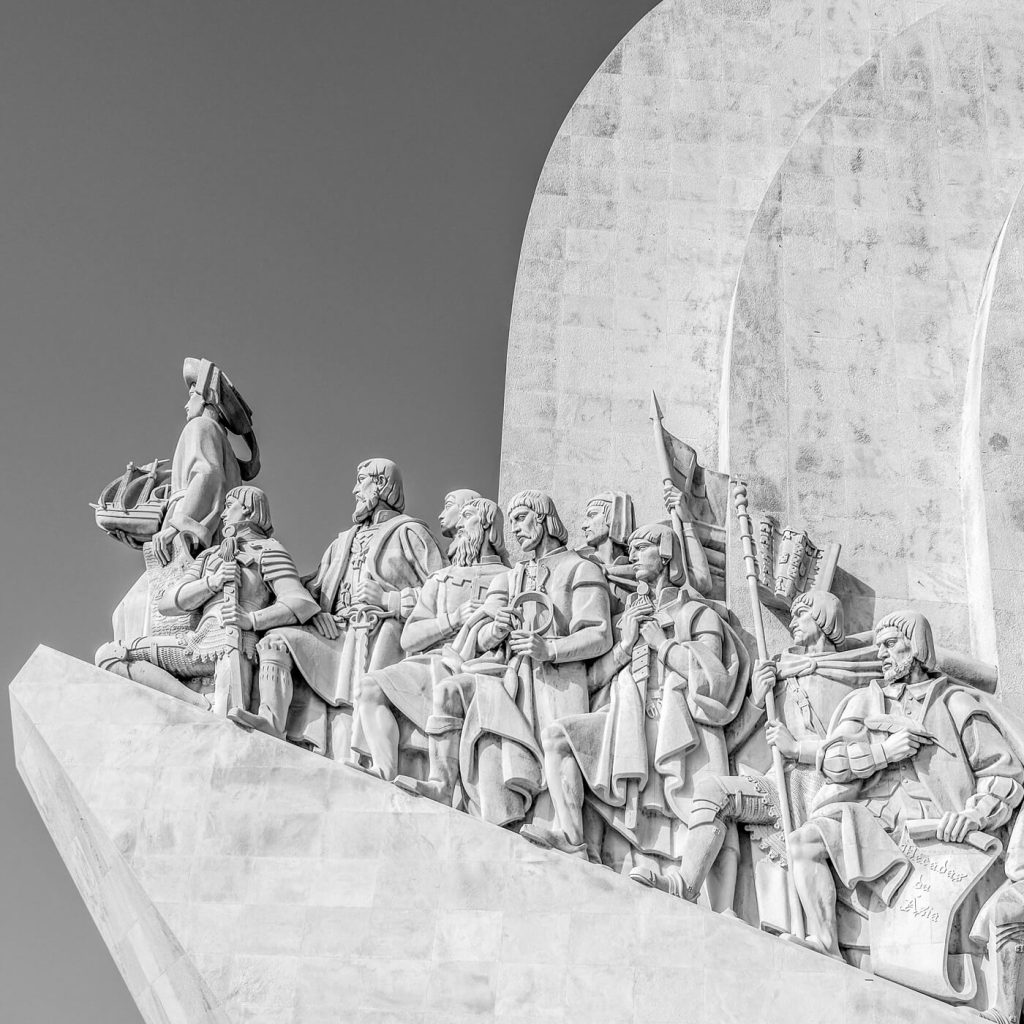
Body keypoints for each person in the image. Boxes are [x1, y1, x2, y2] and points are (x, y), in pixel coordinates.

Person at [523, 521, 749, 898]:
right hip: (626, 721)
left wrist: (663, 645)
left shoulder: (698, 615)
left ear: (665, 555)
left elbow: (714, 681)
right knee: (558, 738)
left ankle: (719, 903)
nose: (632, 556)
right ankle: (572, 838)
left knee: (707, 808)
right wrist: (625, 644)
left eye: (642, 547)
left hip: (683, 725)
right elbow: (593, 680)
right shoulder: (629, 615)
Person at [787, 610, 1024, 960]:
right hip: (873, 822)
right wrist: (883, 751)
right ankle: (826, 943)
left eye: (889, 644)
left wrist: (973, 815)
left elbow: (1002, 774)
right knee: (804, 842)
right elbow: (832, 762)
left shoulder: (955, 704)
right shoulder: (865, 701)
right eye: (877, 645)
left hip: (934, 825)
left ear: (915, 647)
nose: (880, 653)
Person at [396, 490, 612, 829]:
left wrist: (550, 650)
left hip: (558, 680)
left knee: (559, 748)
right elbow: (481, 635)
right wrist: (494, 630)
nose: (515, 530)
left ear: (542, 519)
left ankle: (570, 837)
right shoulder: (509, 578)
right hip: (507, 678)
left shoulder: (579, 569)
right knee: (449, 692)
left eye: (522, 519)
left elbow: (599, 633)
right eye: (510, 522)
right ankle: (441, 784)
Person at [672, 591, 878, 913]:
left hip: (825, 791)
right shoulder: (783, 674)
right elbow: (735, 743)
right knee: (713, 790)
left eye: (802, 615)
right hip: (778, 786)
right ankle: (684, 885)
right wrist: (756, 697)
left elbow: (857, 751)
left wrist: (797, 749)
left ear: (824, 619)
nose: (792, 622)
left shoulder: (852, 679)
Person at [256, 458, 444, 757]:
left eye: (362, 480)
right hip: (337, 633)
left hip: (383, 634)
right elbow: (311, 589)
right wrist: (314, 613)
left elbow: (442, 593)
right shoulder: (343, 541)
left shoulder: (410, 533)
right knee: (276, 641)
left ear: (380, 485)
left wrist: (389, 600)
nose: (356, 489)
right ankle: (269, 723)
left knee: (358, 709)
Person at [96, 486, 317, 711]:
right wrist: (212, 582)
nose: (222, 514)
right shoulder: (210, 556)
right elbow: (169, 603)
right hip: (197, 642)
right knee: (110, 656)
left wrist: (252, 620)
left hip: (237, 641)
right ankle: (200, 704)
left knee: (231, 716)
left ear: (249, 510)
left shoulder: (268, 550)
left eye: (229, 506)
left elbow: (300, 602)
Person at [352, 497, 509, 779]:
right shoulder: (442, 578)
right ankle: (384, 770)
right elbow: (409, 638)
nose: (458, 524)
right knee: (369, 687)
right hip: (431, 663)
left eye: (467, 517)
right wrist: (453, 619)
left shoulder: (511, 577)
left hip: (481, 669)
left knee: (447, 692)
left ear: (487, 524)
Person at [151, 357, 261, 566]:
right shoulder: (223, 443)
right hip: (217, 530)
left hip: (190, 522)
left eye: (191, 395)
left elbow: (208, 475)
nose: (186, 404)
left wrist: (177, 526)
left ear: (206, 398)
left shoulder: (200, 425)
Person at [577, 491, 636, 613]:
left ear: (614, 517)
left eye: (592, 515)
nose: (584, 525)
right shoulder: (580, 567)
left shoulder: (640, 573)